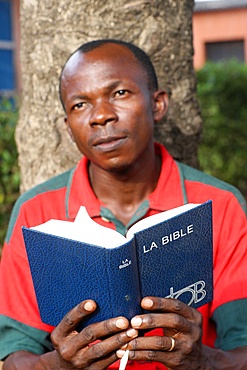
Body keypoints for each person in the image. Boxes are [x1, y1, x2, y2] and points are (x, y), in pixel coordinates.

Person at [0, 39, 247, 370]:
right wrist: (58, 366)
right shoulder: (37, 212)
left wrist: (205, 362)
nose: (101, 116)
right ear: (68, 130)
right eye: (79, 105)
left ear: (158, 104)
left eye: (119, 94)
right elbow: (13, 358)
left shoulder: (220, 205)